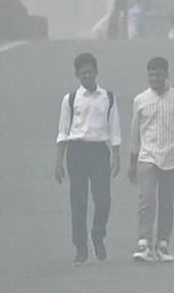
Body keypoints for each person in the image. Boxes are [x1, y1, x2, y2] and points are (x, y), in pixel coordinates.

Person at [127, 55, 174, 262]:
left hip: (172, 157)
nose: (154, 78)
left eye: (158, 74)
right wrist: (133, 162)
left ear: (166, 75)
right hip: (147, 157)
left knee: (166, 202)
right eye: (151, 75)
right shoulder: (140, 100)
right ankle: (144, 243)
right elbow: (135, 133)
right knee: (147, 200)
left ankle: (162, 244)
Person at [52, 51, 122, 264]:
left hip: (99, 151)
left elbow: (114, 128)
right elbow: (63, 131)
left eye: (90, 72)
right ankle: (80, 247)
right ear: (77, 75)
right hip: (77, 152)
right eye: (82, 73)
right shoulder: (71, 99)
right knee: (78, 201)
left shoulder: (107, 97)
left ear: (96, 72)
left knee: (103, 199)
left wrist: (116, 156)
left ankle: (98, 234)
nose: (87, 76)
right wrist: (59, 162)